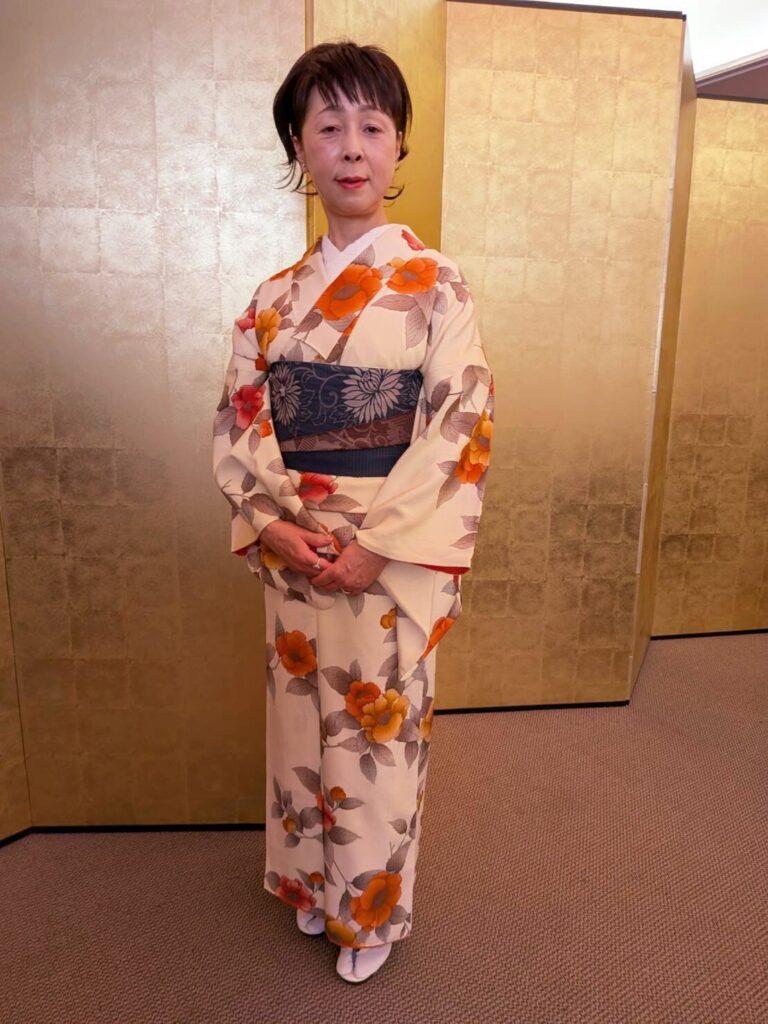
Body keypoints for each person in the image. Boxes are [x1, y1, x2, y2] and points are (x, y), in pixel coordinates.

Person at [212, 40, 493, 983]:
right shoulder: (272, 300)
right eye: (328, 126)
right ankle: (309, 883)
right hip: (297, 540)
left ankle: (368, 909)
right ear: (300, 145)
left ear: (399, 144)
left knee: (376, 732)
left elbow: (461, 421)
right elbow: (243, 415)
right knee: (301, 723)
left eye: (373, 125)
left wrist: (379, 544)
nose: (352, 146)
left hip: (386, 550)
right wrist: (273, 522)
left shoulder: (436, 284)